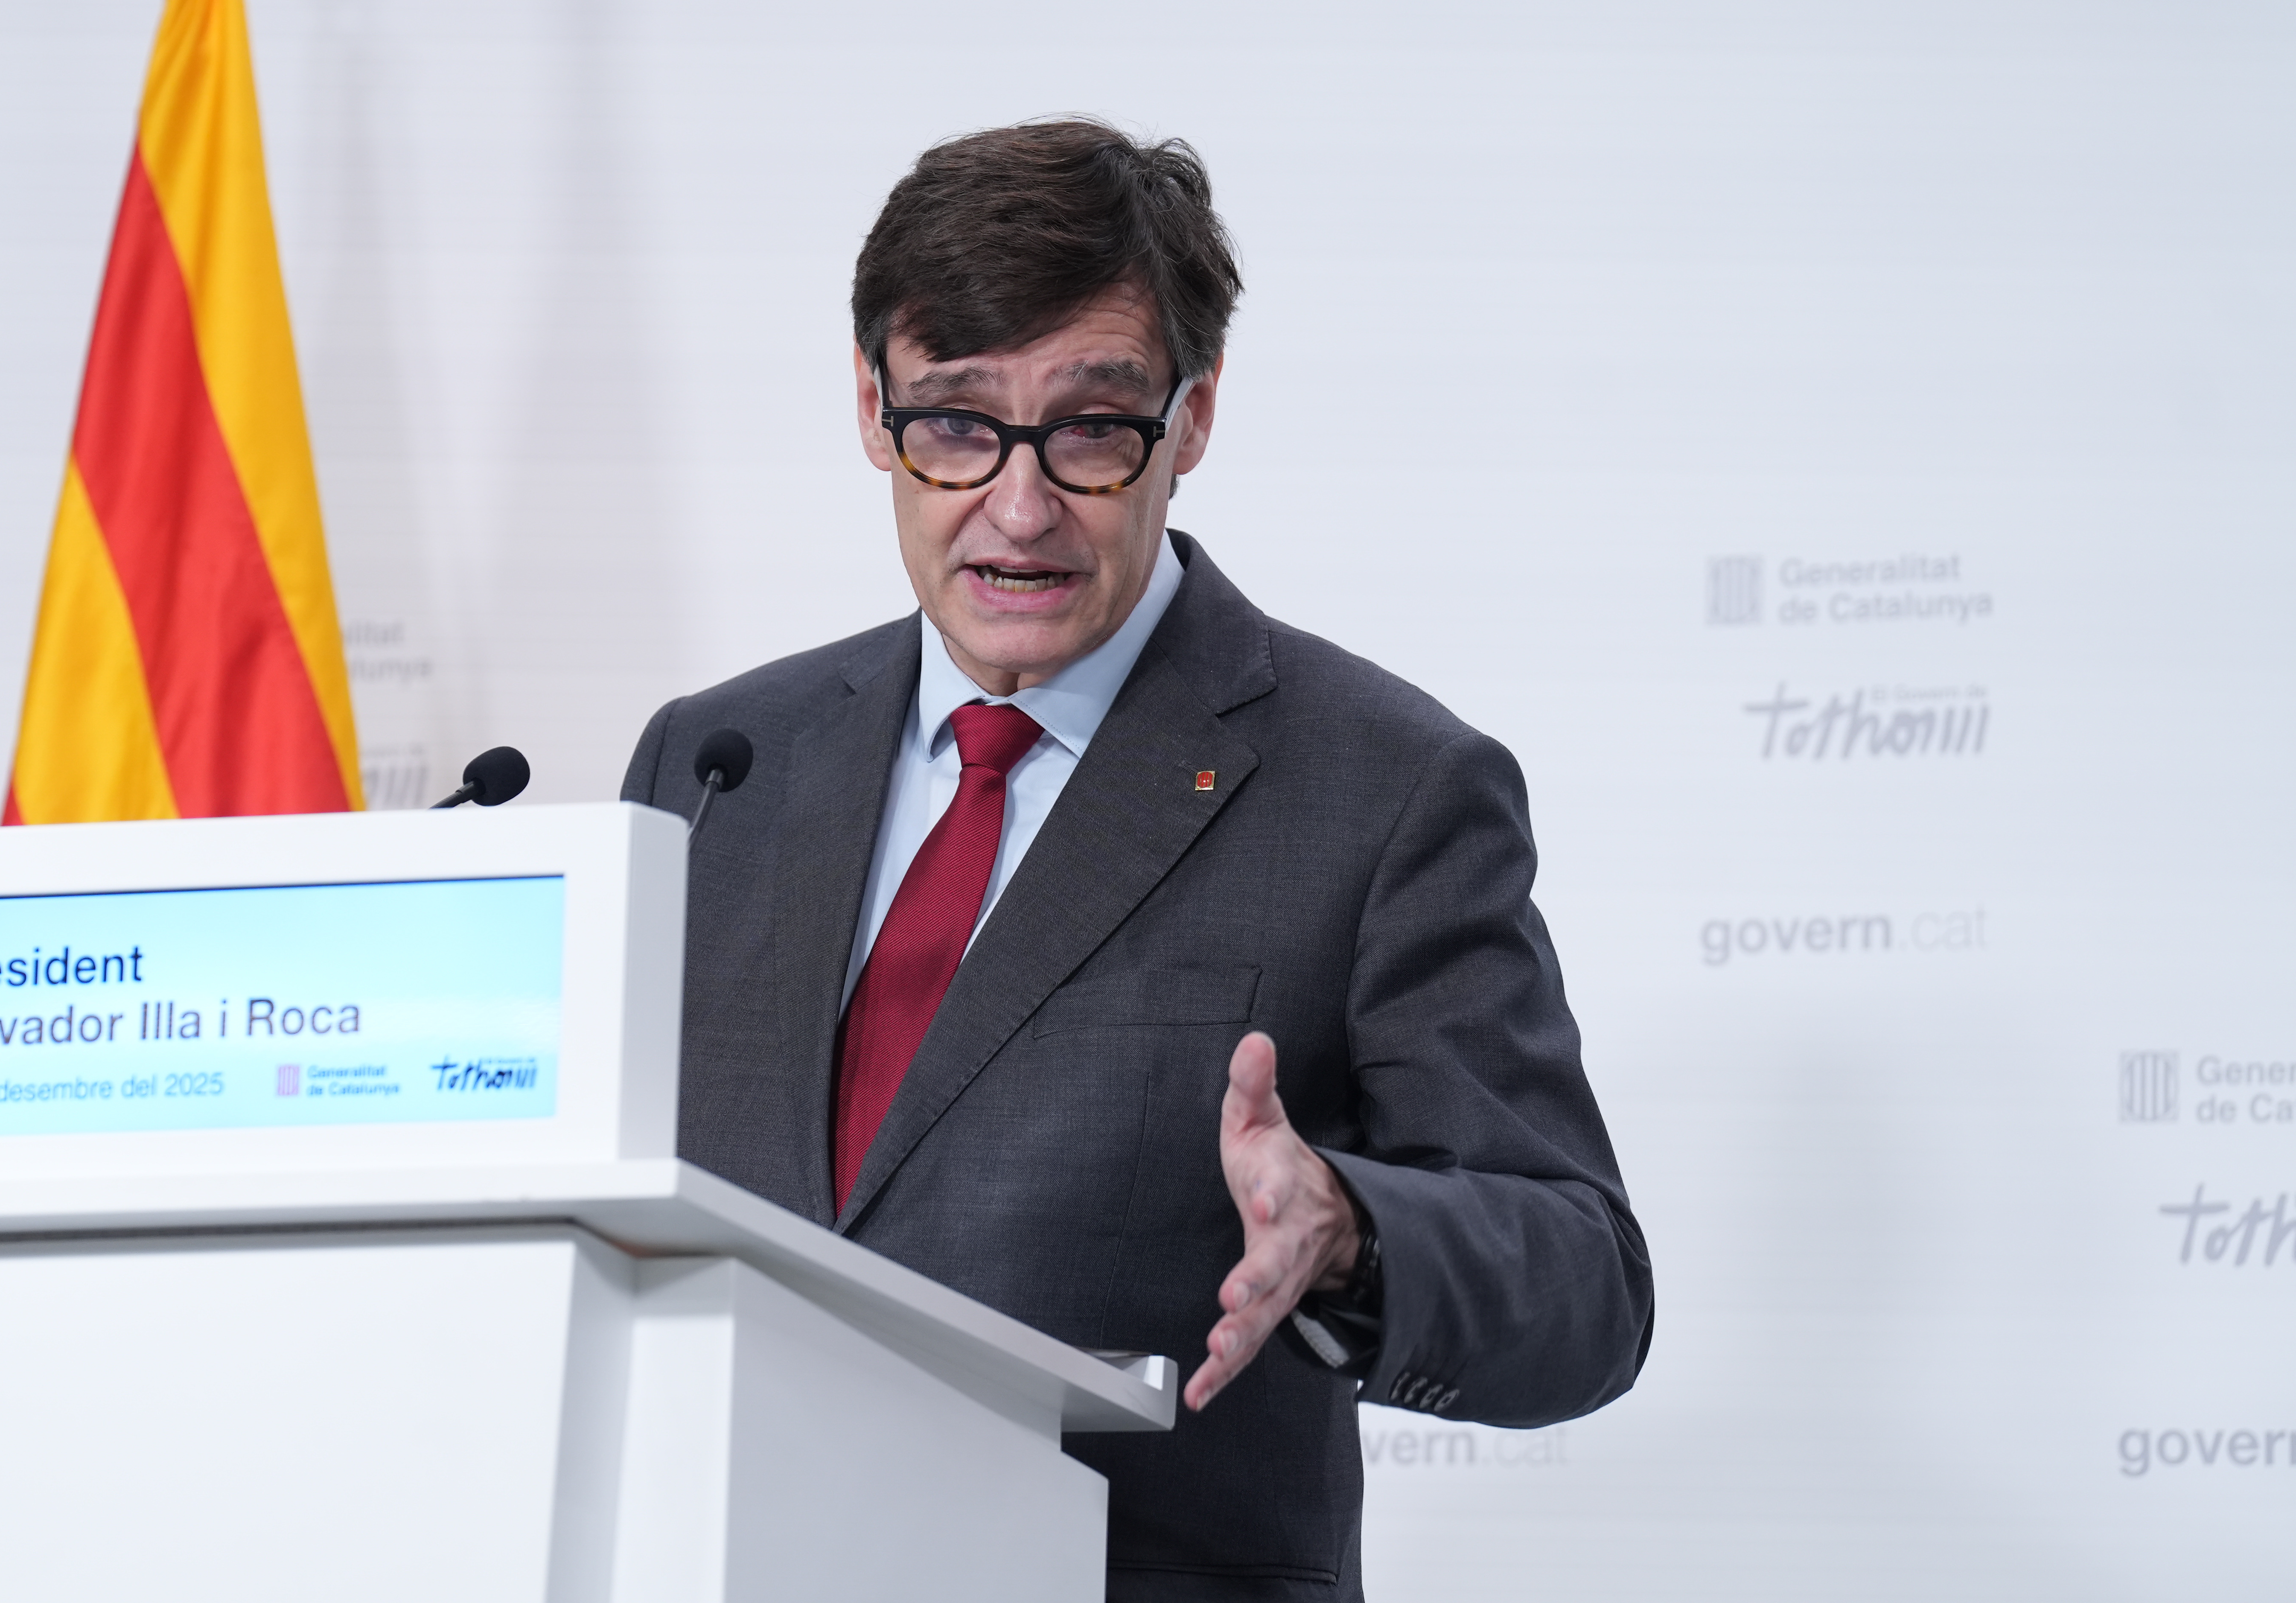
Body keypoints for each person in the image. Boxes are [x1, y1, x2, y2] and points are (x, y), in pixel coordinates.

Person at [621, 119, 1652, 1600]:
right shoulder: (720, 763)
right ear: (872, 407)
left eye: (1093, 430)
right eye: (959, 423)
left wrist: (1352, 1234)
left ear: (1195, 415)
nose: (1020, 506)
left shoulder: (1384, 786)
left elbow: (1586, 1286)